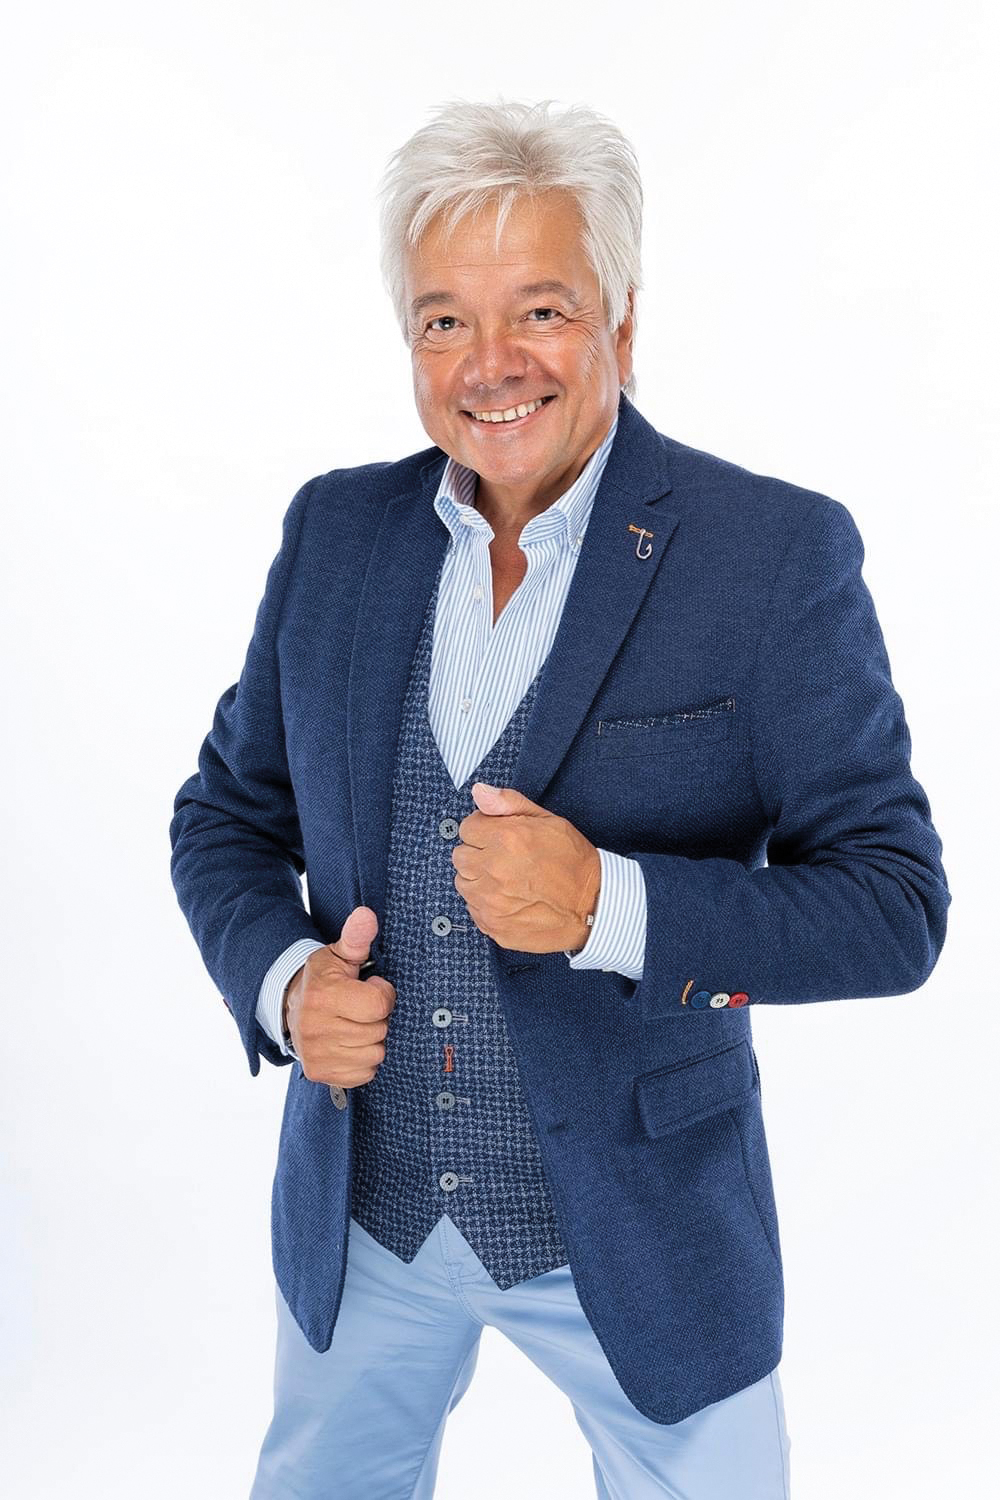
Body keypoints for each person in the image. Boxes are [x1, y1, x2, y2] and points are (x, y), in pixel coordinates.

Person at [169, 97, 950, 1499]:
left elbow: (895, 909)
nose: (492, 364)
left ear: (623, 325)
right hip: (367, 1219)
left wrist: (611, 905)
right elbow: (224, 816)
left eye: (541, 310)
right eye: (445, 321)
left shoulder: (770, 554)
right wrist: (283, 984)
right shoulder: (337, 534)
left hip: (647, 1239)